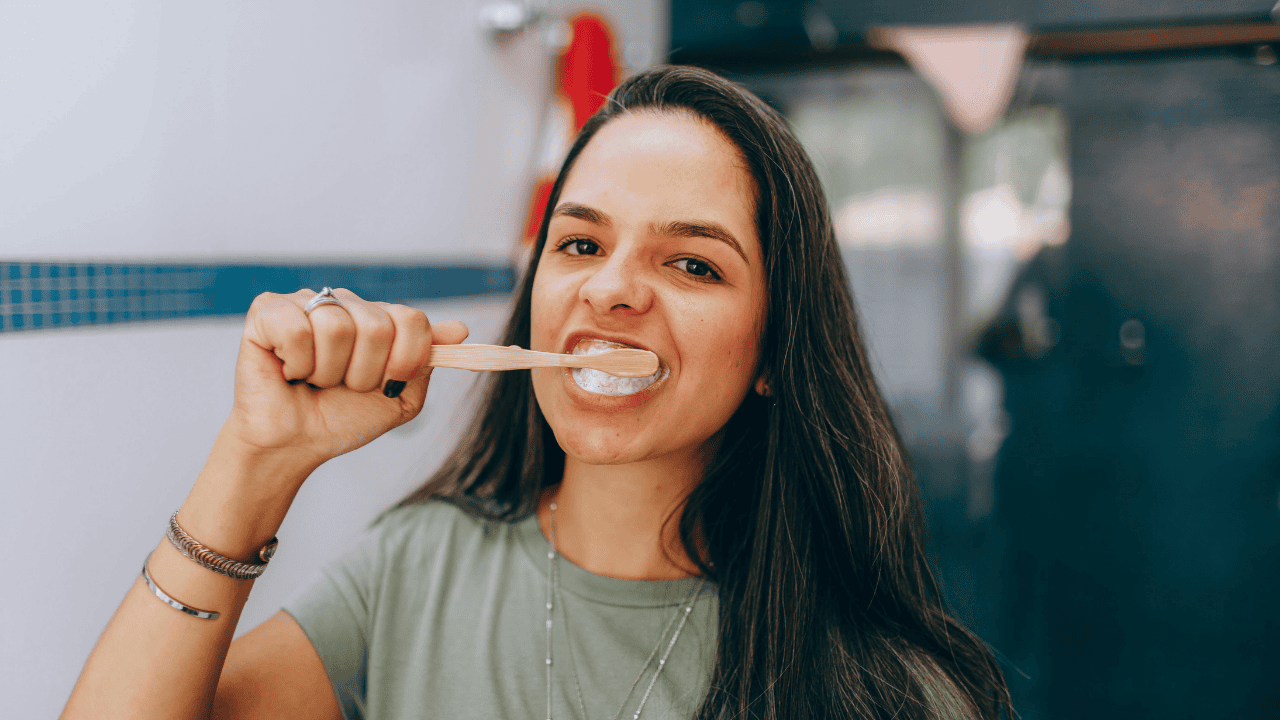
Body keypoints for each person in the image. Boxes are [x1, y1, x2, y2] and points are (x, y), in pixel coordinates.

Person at [61, 65, 1011, 720]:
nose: (611, 289)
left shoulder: (890, 690)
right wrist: (255, 462)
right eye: (582, 245)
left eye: (691, 263)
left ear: (774, 351)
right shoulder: (420, 570)